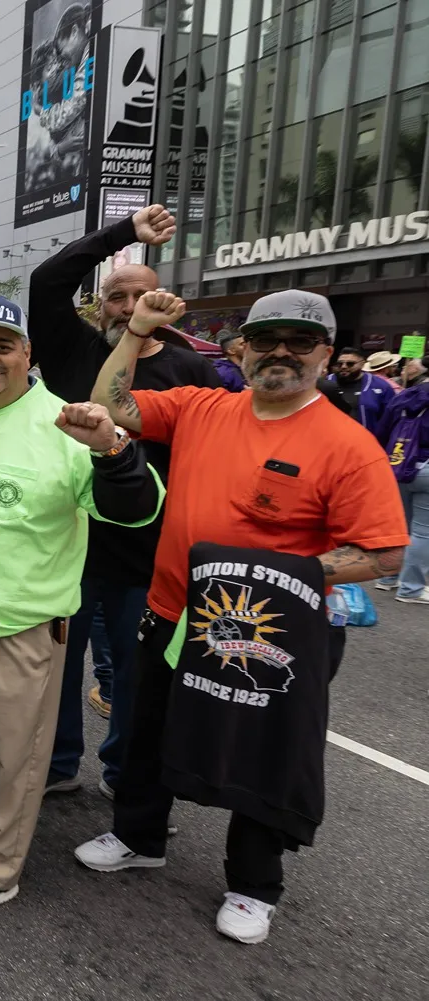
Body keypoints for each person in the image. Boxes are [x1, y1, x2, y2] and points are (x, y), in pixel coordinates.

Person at [80, 289, 408, 945]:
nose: (281, 352)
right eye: (266, 339)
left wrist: (288, 576)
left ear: (325, 353)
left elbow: (384, 551)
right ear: (242, 348)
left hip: (270, 636)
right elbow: (114, 407)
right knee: (146, 729)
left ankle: (254, 886)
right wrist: (136, 329)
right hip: (174, 615)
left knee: (263, 756)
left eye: (300, 340)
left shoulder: (348, 444)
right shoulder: (203, 407)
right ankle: (139, 834)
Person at [0, 296, 163, 921]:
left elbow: (137, 509)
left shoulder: (68, 424)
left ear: (27, 354)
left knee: (11, 756)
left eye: (1, 346)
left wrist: (112, 451)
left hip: (21, 625)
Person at [28, 204, 222, 801]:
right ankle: (58, 763)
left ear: (167, 309)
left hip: (148, 552)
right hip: (68, 542)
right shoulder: (71, 348)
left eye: (143, 298)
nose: (129, 308)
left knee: (138, 673)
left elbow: (207, 459)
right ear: (101, 304)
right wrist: (123, 236)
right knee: (55, 668)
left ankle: (124, 773)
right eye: (117, 297)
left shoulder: (192, 371)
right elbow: (46, 281)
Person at [375, 356, 429, 605]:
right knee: (423, 531)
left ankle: (387, 578)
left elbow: (383, 430)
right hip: (426, 466)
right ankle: (411, 589)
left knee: (401, 528)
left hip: (397, 464)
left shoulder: (406, 395)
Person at [329, 346, 395, 428]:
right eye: (340, 364)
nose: (344, 366)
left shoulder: (381, 386)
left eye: (350, 364)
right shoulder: (325, 383)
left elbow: (390, 419)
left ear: (362, 364)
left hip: (366, 438)